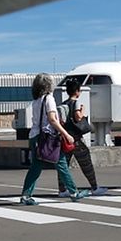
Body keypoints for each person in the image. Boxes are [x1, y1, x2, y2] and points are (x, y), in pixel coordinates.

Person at [20, 73, 88, 205]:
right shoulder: (49, 99)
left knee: (36, 167)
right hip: (47, 137)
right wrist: (66, 134)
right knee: (61, 163)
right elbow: (52, 119)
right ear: (48, 85)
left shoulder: (36, 101)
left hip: (35, 136)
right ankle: (74, 192)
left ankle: (26, 195)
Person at [56, 78, 105, 196]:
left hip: (65, 139)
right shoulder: (75, 102)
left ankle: (62, 189)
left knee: (64, 164)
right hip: (76, 139)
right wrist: (82, 111)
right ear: (77, 91)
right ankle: (94, 187)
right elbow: (78, 117)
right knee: (86, 162)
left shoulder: (63, 104)